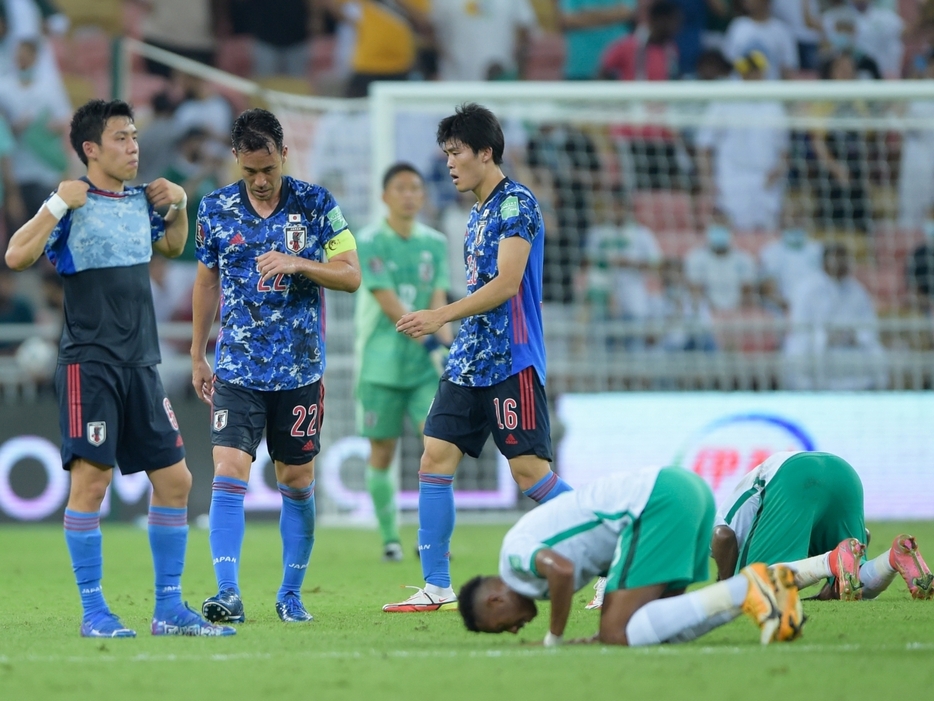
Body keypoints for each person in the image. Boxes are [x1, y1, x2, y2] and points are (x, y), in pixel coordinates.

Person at [3, 98, 234, 637]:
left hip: (141, 365)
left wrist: (177, 206)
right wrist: (56, 206)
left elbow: (174, 246)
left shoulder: (139, 201)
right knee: (91, 485)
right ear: (91, 149)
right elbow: (16, 255)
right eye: (122, 138)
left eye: (134, 136)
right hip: (91, 365)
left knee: (176, 480)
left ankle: (169, 609)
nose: (134, 147)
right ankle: (93, 612)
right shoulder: (69, 202)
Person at [383, 103, 572, 613]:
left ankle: (616, 551)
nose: (449, 163)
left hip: (511, 359)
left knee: (530, 474)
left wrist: (439, 315)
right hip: (470, 359)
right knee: (433, 457)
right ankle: (437, 585)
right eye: (446, 153)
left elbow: (508, 284)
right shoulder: (478, 213)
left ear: (486, 152)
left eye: (456, 152)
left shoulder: (516, 205)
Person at [192, 108, 361, 624]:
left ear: (284, 155)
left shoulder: (315, 204)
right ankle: (228, 593)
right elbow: (206, 281)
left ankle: (290, 595)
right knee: (228, 470)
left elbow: (351, 275)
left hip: (299, 372)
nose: (261, 182)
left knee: (296, 478)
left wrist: (299, 263)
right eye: (250, 172)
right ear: (236, 163)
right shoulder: (215, 209)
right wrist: (198, 351)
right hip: (238, 370)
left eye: (269, 169)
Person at [457, 466, 805, 646]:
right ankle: (760, 598)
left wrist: (555, 637)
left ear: (494, 599)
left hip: (655, 502)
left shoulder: (513, 557)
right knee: (654, 628)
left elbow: (560, 571)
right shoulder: (528, 569)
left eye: (504, 626)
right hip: (685, 490)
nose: (516, 629)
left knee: (616, 633)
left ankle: (749, 588)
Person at [354, 162, 452, 562]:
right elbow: (389, 301)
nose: (409, 194)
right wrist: (431, 341)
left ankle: (432, 539)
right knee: (382, 452)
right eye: (401, 188)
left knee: (441, 446)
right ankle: (390, 538)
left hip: (424, 369)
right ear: (385, 196)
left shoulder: (436, 242)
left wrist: (445, 348)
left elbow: (438, 299)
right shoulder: (369, 240)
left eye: (415, 188)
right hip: (381, 365)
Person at [711, 451, 934, 601]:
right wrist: (826, 595)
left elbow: (722, 535)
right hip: (844, 474)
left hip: (795, 476)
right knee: (852, 579)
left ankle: (831, 562)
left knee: (754, 588)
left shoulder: (725, 521)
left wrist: (727, 588)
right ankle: (894, 558)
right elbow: (864, 537)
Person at [695, 50, 788, 231]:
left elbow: (784, 151)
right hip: (731, 181)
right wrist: (707, 180)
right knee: (734, 232)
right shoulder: (724, 100)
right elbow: (704, 145)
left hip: (765, 183)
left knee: (765, 233)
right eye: (748, 71)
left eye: (756, 71)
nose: (752, 75)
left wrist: (777, 172)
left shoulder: (774, 106)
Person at [783, 242, 886, 390]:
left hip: (851, 345)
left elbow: (869, 324)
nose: (842, 263)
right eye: (837, 258)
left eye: (845, 258)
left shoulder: (857, 290)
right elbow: (799, 326)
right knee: (796, 350)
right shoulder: (807, 289)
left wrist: (855, 337)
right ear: (825, 261)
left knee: (877, 353)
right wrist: (825, 337)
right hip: (816, 345)